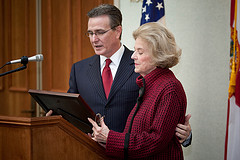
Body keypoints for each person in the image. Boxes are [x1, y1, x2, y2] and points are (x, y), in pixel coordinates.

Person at [46, 4, 191, 145]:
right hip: (88, 150)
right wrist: (57, 117)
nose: (93, 39)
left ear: (117, 31)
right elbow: (71, 111)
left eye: (100, 32)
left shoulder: (144, 67)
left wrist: (186, 135)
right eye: (90, 33)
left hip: (131, 152)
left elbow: (162, 119)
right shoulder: (79, 69)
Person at [88, 22, 187, 159]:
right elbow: (136, 134)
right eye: (135, 50)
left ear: (158, 55)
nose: (133, 56)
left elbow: (155, 141)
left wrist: (110, 137)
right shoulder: (148, 85)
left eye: (140, 52)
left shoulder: (170, 88)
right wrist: (105, 140)